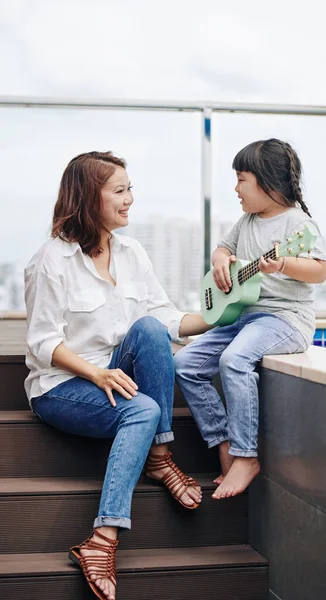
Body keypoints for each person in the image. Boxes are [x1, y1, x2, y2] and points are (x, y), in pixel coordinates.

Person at [24, 151, 210, 600]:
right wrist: (97, 375)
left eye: (131, 189)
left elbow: (163, 318)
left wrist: (218, 316)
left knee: (147, 328)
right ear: (91, 197)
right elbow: (43, 343)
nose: (131, 200)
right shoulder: (51, 261)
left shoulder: (131, 251)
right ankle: (103, 537)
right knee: (141, 409)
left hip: (112, 375)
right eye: (120, 191)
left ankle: (159, 455)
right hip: (61, 387)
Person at [174, 138, 326, 501]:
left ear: (268, 183)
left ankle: (246, 456)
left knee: (234, 360)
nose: (236, 188)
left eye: (242, 179)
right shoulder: (246, 222)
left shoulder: (298, 224)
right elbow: (223, 248)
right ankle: (224, 441)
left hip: (284, 319)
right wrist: (220, 260)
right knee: (185, 363)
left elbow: (319, 271)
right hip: (243, 318)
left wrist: (284, 263)